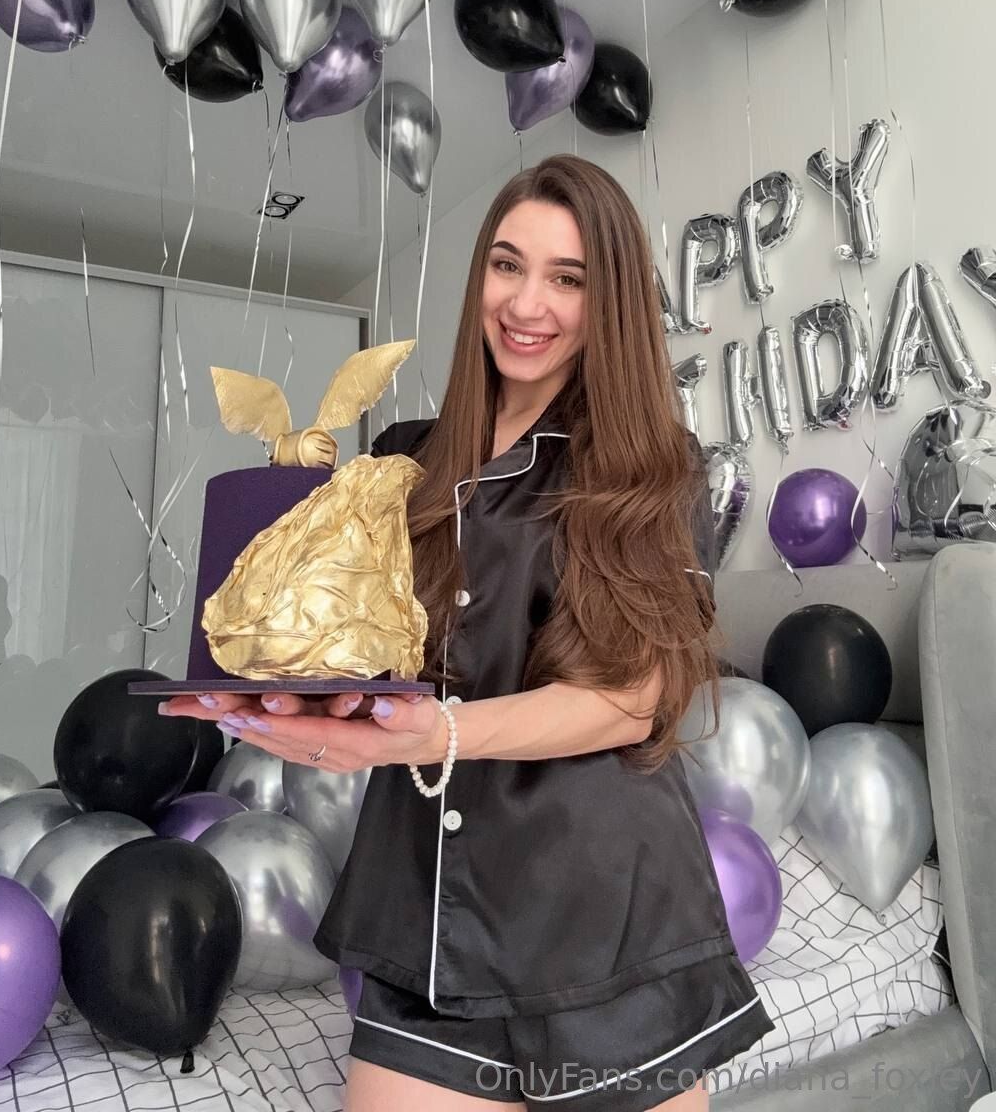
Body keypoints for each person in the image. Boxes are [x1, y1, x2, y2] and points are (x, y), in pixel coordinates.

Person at [160, 155, 773, 1110]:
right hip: (432, 913)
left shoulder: (654, 469)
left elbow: (633, 698)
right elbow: (365, 654)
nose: (527, 303)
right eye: (507, 264)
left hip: (603, 920)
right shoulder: (403, 459)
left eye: (568, 278)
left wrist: (433, 734)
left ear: (608, 303)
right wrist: (296, 705)